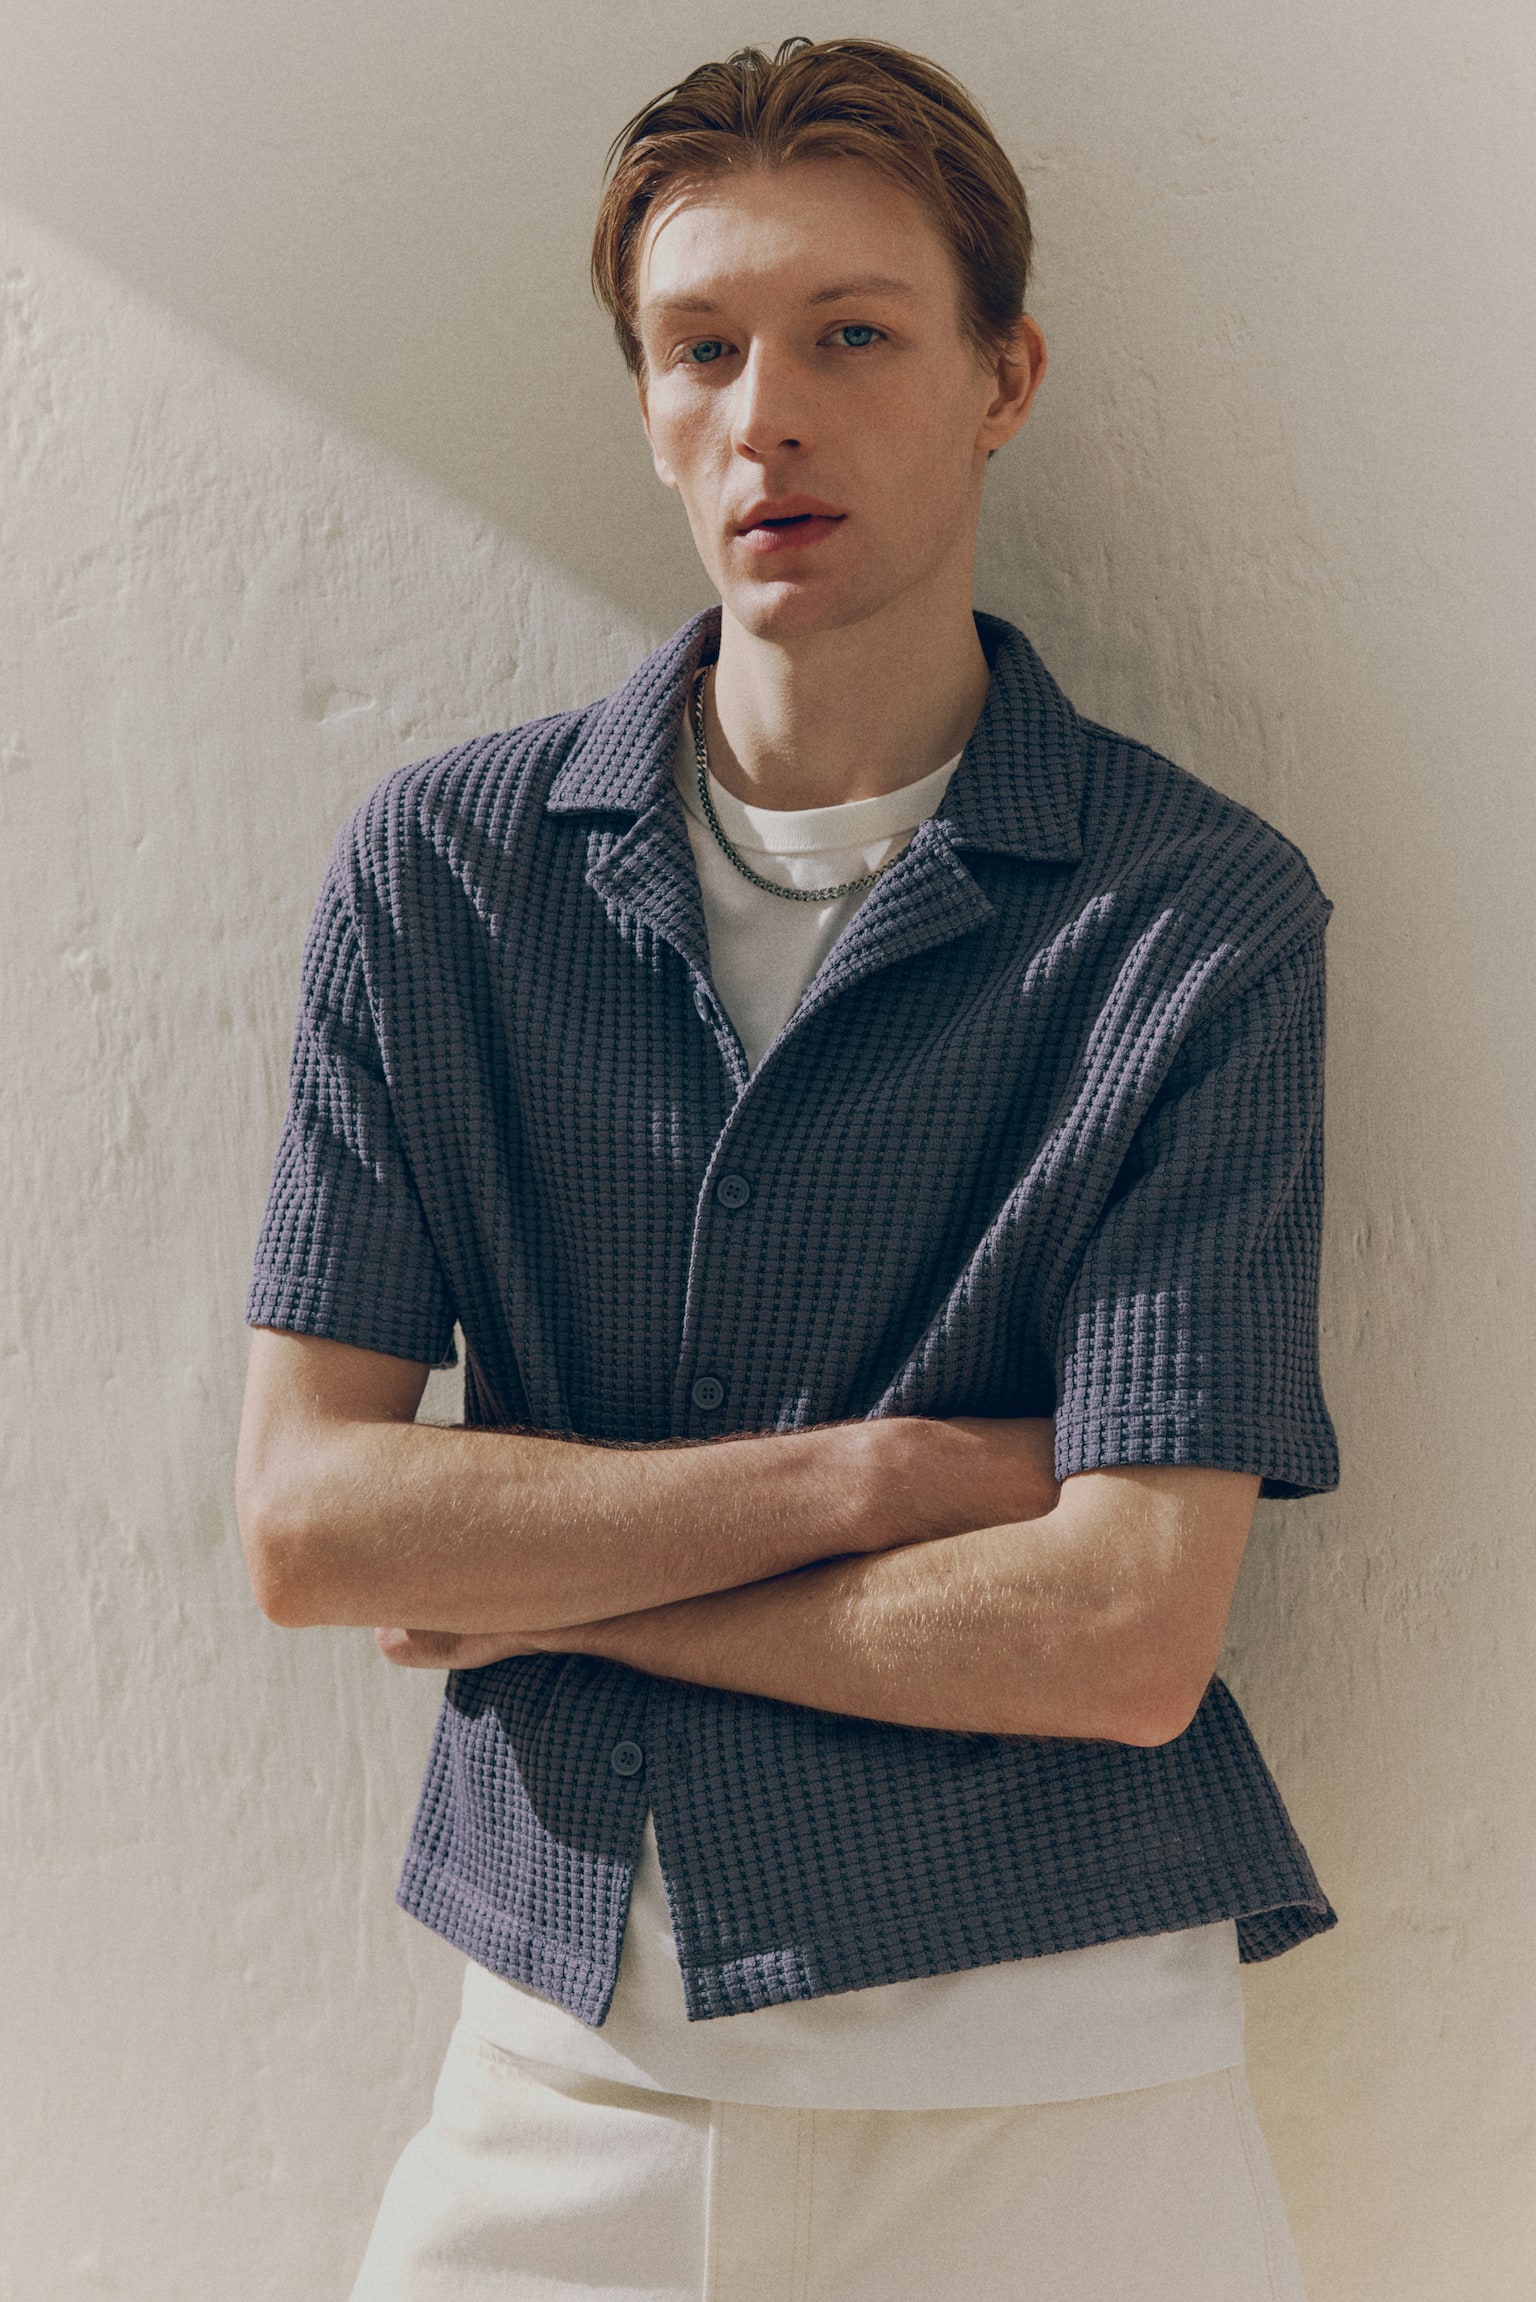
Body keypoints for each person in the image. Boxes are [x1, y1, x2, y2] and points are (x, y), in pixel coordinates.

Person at [237, 36, 1338, 2301]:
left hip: (1061, 2091)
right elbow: (314, 1521)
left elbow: (1127, 1632)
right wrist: (883, 1474)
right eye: (702, 346)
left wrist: (556, 1580)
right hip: (566, 2066)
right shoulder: (443, 881)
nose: (770, 416)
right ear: (647, 398)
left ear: (1003, 375)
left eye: (852, 335)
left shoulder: (1194, 917)